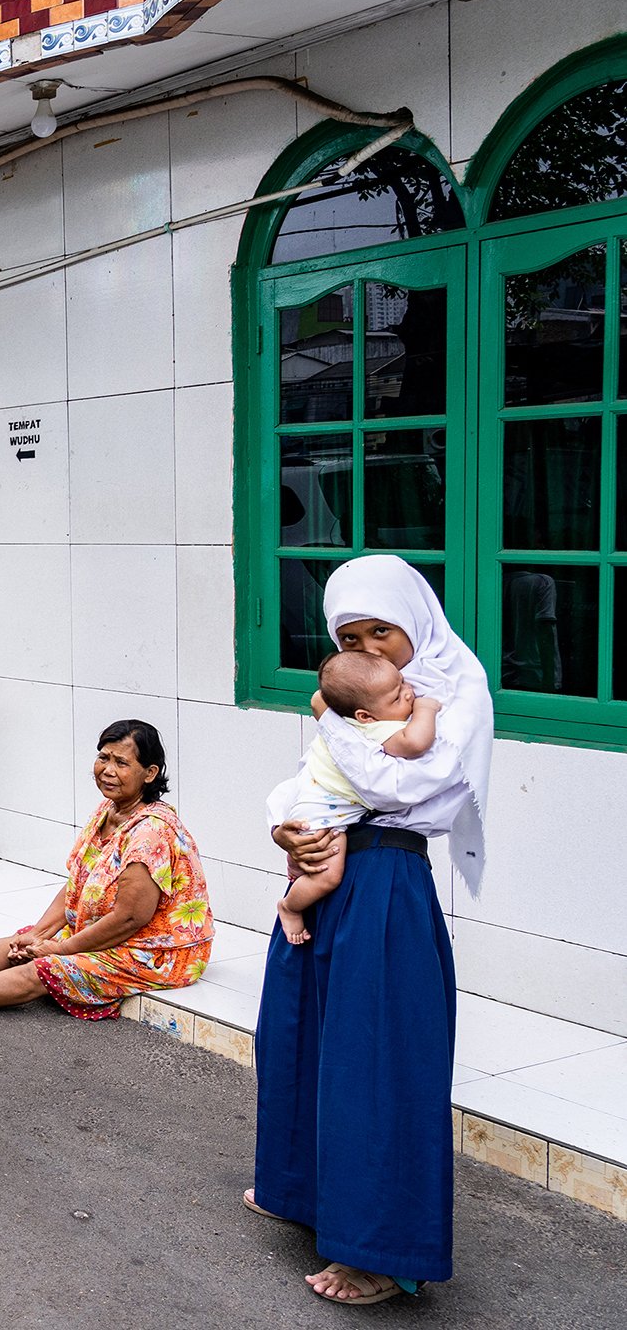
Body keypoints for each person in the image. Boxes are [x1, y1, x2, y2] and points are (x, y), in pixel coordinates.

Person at [251, 555, 492, 1307]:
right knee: (296, 1035)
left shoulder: (457, 694)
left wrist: (332, 721)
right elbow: (303, 780)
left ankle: (382, 1251)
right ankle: (306, 1195)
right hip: (326, 876)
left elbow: (406, 784)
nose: (372, 649)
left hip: (386, 881)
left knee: (378, 1060)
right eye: (351, 635)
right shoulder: (357, 701)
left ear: (415, 621)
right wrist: (285, 831)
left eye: (382, 630)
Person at [0, 721, 213, 1016]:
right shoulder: (109, 810)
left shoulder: (150, 833)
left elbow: (130, 918)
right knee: (20, 942)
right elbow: (78, 883)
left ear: (150, 772)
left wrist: (61, 949)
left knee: (43, 967)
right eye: (104, 757)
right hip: (107, 930)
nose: (107, 770)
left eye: (122, 763)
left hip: (157, 952)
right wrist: (39, 934)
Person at [271, 651, 440, 945]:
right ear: (365, 715)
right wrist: (427, 709)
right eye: (398, 697)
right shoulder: (376, 727)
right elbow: (414, 742)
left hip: (317, 804)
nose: (410, 694)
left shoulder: (342, 718)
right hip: (324, 816)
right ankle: (289, 907)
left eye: (404, 684)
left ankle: (295, 878)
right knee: (327, 876)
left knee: (308, 867)